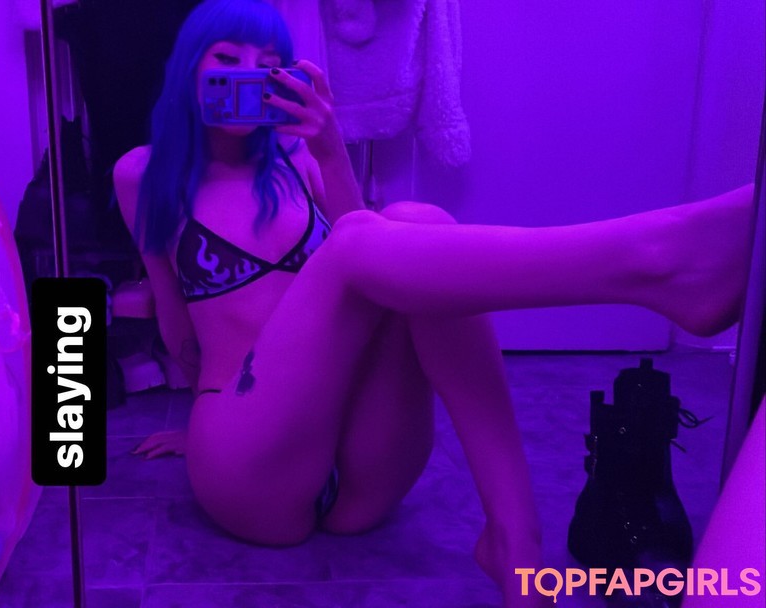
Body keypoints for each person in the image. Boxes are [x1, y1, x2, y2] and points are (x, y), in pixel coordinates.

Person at [112, 1, 755, 605]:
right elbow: (177, 325)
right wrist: (203, 424)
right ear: (188, 67)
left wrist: (331, 151)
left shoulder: (297, 162)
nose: (246, 78)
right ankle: (652, 259)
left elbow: (370, 259)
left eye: (267, 66)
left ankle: (512, 538)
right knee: (364, 240)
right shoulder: (146, 174)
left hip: (360, 462)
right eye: (226, 60)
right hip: (250, 455)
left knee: (414, 222)